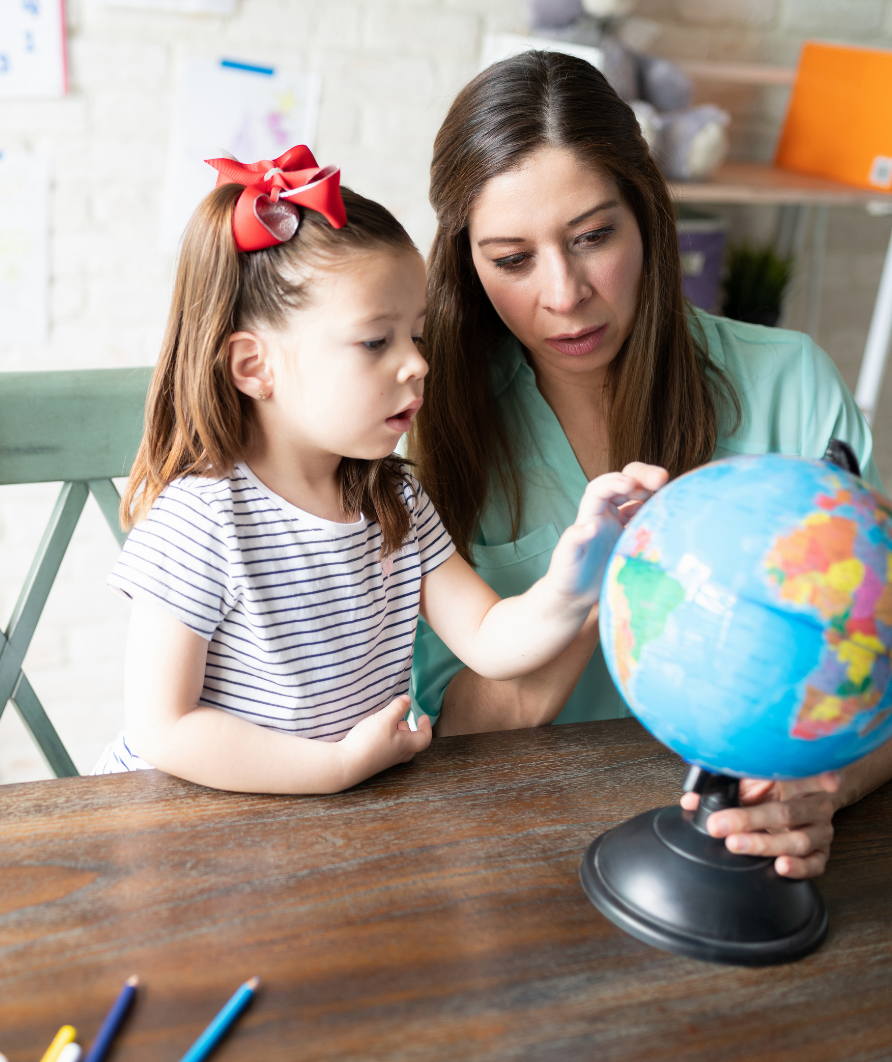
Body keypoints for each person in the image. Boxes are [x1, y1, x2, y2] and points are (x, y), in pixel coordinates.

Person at [407, 50, 892, 878]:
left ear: (649, 217)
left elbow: (877, 660)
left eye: (594, 237)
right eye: (513, 259)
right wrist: (608, 584)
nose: (564, 294)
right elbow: (452, 729)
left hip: (742, 852)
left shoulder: (791, 382)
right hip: (522, 847)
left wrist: (821, 789)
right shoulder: (432, 422)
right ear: (466, 262)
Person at [93, 145, 667, 794]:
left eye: (415, 336)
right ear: (254, 367)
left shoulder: (396, 500)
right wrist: (333, 768)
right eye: (376, 341)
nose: (417, 364)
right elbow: (164, 727)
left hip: (325, 830)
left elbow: (486, 637)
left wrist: (570, 584)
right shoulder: (203, 520)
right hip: (185, 824)